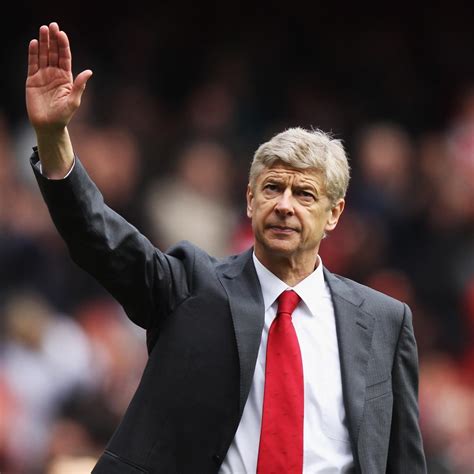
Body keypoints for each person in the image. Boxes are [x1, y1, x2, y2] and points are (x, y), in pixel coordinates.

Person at [26, 22, 427, 474]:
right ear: (250, 200)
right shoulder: (192, 287)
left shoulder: (385, 321)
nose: (284, 205)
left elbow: (403, 459)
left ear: (334, 214)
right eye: (272, 188)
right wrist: (53, 137)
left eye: (304, 194)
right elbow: (99, 236)